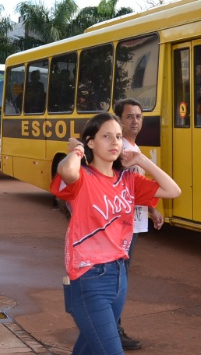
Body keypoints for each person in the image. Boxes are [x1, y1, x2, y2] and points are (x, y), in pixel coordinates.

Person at [50, 112, 181, 355]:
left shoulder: (128, 179)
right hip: (89, 277)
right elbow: (66, 171)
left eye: (119, 137)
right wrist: (78, 151)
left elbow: (173, 190)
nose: (114, 142)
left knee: (89, 347)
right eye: (106, 136)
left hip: (119, 276)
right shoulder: (83, 177)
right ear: (91, 141)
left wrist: (141, 160)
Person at [112, 98, 163, 351]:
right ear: (119, 120)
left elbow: (136, 187)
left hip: (134, 222)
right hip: (121, 224)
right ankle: (112, 331)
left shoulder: (133, 146)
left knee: (121, 275)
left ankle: (112, 328)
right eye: (130, 116)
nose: (135, 121)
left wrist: (152, 209)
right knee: (118, 278)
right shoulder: (119, 148)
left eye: (139, 116)